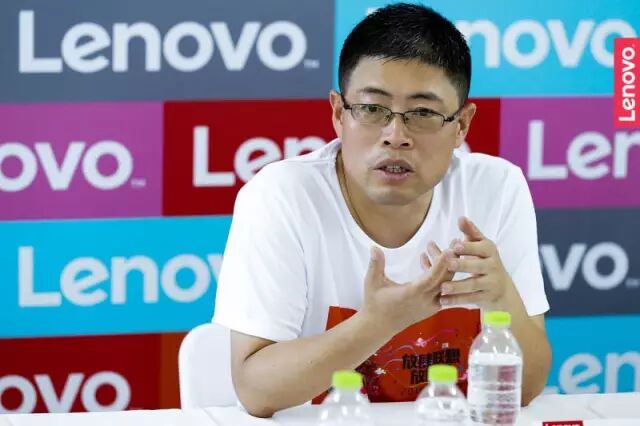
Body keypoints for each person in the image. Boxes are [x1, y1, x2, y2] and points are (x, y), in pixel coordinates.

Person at [213, 2, 551, 418]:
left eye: (423, 113)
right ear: (339, 113)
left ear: (461, 125)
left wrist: (503, 298)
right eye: (373, 109)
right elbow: (256, 389)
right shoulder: (282, 196)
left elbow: (527, 388)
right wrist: (379, 322)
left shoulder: (495, 189)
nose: (395, 135)